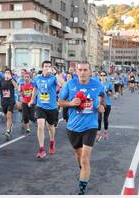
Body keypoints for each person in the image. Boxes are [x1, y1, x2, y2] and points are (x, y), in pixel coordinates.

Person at [58, 61, 105, 195]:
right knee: (79, 156)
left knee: (85, 159)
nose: (83, 72)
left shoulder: (97, 84)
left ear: (90, 71)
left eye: (85, 70)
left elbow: (103, 95)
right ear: (76, 71)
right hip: (73, 127)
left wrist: (102, 105)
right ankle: (83, 169)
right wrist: (71, 103)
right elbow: (59, 101)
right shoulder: (70, 84)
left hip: (90, 126)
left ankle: (82, 188)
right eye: (80, 70)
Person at [29, 60, 64, 158]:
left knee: (50, 127)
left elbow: (63, 85)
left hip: (52, 107)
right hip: (41, 106)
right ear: (42, 68)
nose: (47, 68)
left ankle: (52, 141)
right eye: (46, 66)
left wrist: (56, 73)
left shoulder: (53, 78)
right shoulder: (38, 78)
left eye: (49, 66)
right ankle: (41, 149)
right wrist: (32, 100)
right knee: (40, 126)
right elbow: (35, 89)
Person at [0, 68, 18, 140]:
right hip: (3, 101)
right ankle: (10, 125)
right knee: (6, 117)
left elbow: (17, 87)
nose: (7, 73)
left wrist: (11, 79)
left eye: (9, 72)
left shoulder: (12, 80)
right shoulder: (1, 80)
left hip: (11, 100)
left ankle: (7, 131)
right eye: (6, 72)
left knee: (8, 115)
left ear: (11, 74)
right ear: (4, 74)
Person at [97, 71, 113, 141]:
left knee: (105, 119)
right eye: (101, 75)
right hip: (99, 103)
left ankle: (105, 132)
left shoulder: (109, 83)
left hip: (107, 103)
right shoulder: (97, 84)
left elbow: (111, 94)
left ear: (106, 76)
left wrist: (107, 91)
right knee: (99, 119)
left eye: (104, 75)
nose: (102, 76)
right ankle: (98, 134)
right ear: (99, 76)